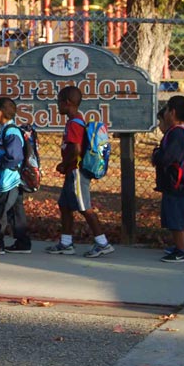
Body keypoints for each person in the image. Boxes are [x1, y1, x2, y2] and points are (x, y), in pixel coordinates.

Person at [45, 86, 114, 258]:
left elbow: (75, 149)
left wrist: (64, 163)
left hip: (76, 171)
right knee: (65, 206)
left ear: (67, 103)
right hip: (71, 171)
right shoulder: (74, 121)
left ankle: (102, 243)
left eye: (59, 102)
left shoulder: (75, 123)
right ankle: (66, 243)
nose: (57, 106)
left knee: (85, 207)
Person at [152, 96, 184, 263]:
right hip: (176, 184)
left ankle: (180, 251)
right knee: (177, 217)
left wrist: (156, 155)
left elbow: (169, 157)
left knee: (174, 219)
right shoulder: (177, 132)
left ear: (173, 112)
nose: (166, 114)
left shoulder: (176, 133)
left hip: (176, 184)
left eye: (168, 110)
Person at [0, 97, 32, 254]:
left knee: (0, 211)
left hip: (9, 179)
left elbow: (14, 157)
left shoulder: (11, 131)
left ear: (0, 113)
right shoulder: (8, 130)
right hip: (13, 178)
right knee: (15, 210)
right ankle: (22, 243)